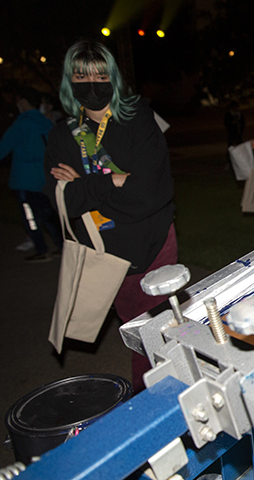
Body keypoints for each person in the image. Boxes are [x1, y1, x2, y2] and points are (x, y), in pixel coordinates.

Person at [44, 40, 177, 393]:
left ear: (113, 78)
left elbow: (148, 194)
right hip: (109, 252)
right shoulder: (61, 136)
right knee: (137, 332)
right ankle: (151, 405)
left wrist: (87, 187)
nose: (93, 84)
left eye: (101, 75)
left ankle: (153, 401)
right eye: (82, 76)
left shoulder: (138, 119)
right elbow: (64, 202)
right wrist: (112, 182)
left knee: (159, 333)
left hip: (153, 242)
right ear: (69, 82)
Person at [0, 86, 63, 261]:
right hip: (45, 177)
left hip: (25, 179)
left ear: (23, 101)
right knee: (49, 214)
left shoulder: (22, 123)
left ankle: (42, 250)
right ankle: (61, 246)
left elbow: (4, 147)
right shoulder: (45, 122)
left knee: (31, 217)